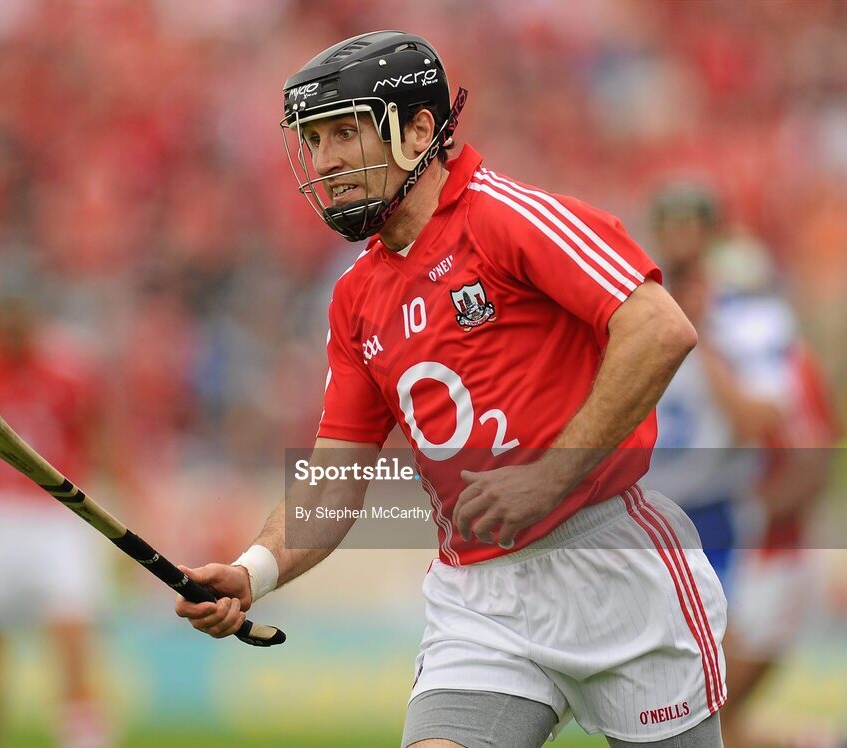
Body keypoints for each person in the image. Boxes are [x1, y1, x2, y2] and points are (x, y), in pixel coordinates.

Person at [175, 31, 725, 747]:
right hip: (479, 598)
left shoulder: (507, 218)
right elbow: (336, 478)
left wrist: (549, 477)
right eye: (314, 140)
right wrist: (254, 571)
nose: (326, 161)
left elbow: (660, 329)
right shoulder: (355, 298)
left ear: (419, 130)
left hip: (610, 564)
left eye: (346, 132)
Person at [648, 186, 840, 748]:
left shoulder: (766, 345)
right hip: (707, 530)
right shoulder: (655, 310)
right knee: (701, 720)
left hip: (758, 550)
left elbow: (803, 457)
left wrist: (749, 513)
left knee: (699, 718)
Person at [0, 286, 111, 748]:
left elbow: (103, 440)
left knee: (72, 635)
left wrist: (140, 500)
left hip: (56, 516)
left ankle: (83, 735)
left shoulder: (70, 374)